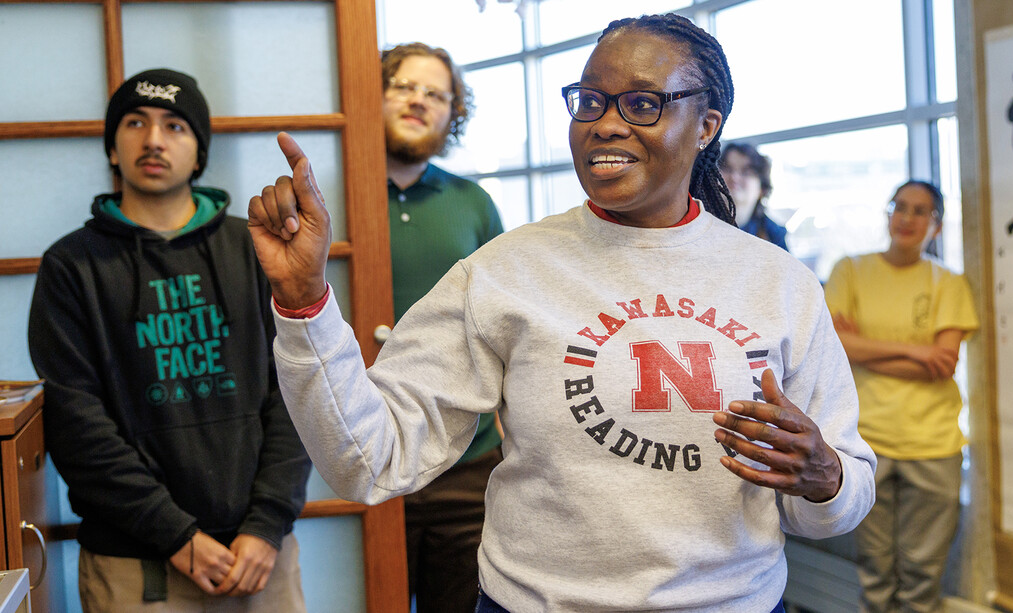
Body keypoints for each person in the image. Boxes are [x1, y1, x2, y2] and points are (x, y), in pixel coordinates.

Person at [249, 13, 875, 612]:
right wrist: (305, 302)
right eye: (591, 101)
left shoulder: (778, 282)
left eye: (642, 103)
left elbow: (840, 496)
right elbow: (369, 459)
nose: (604, 123)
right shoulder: (505, 271)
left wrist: (824, 476)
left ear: (706, 125)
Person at [28, 68, 311, 612]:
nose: (153, 139)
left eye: (174, 126)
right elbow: (75, 421)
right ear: (113, 146)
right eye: (135, 122)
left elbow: (297, 387)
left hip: (261, 555)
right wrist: (176, 536)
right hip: (136, 562)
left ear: (199, 152)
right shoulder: (72, 266)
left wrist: (268, 521)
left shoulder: (254, 248)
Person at [381, 42, 505, 612]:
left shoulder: (472, 202)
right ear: (373, 92)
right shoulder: (332, 197)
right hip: (368, 447)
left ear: (452, 111)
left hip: (467, 459)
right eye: (405, 86)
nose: (419, 102)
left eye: (436, 94)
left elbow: (505, 321)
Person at [823, 180, 978, 613]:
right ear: (888, 213)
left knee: (922, 573)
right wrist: (915, 350)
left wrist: (865, 349)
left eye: (920, 211)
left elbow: (944, 363)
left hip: (933, 444)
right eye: (900, 207)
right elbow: (837, 346)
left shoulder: (948, 282)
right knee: (874, 569)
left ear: (937, 226)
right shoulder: (850, 270)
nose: (907, 218)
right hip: (864, 442)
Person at [719, 142, 788, 250]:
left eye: (746, 172)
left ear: (762, 189)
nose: (734, 177)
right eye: (727, 169)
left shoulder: (773, 235)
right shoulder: (698, 222)